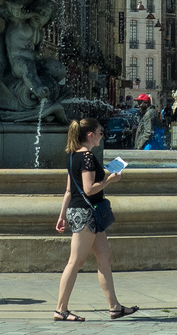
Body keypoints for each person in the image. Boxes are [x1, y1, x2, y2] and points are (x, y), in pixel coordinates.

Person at [54, 118, 136, 321]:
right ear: (90, 135)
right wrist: (110, 179)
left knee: (105, 258)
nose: (102, 135)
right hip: (86, 214)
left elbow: (68, 190)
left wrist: (62, 215)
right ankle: (60, 309)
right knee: (75, 262)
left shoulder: (74, 156)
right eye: (100, 132)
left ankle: (115, 307)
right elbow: (89, 189)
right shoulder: (88, 157)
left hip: (83, 212)